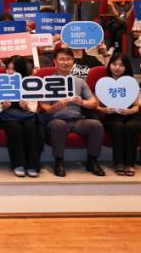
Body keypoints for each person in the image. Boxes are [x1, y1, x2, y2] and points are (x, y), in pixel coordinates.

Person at [39, 47, 104, 177]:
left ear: (73, 61)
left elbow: (93, 103)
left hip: (77, 119)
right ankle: (59, 161)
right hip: (55, 120)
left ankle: (92, 161)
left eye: (68, 59)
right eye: (62, 59)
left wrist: (82, 102)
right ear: (55, 61)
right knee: (59, 125)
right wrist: (56, 106)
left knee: (96, 125)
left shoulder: (79, 81)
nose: (65, 62)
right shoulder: (47, 81)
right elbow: (43, 108)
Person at [0, 56, 42, 178]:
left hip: (26, 117)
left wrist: (26, 106)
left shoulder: (29, 83)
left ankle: (32, 165)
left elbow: (34, 108)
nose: (10, 72)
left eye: (14, 69)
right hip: (5, 118)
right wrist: (3, 106)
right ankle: (18, 164)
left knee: (30, 127)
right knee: (14, 127)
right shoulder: (0, 83)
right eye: (8, 69)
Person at [97, 53, 141, 176]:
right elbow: (95, 106)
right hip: (111, 118)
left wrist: (130, 111)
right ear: (110, 65)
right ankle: (119, 163)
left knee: (131, 126)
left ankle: (130, 164)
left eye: (121, 65)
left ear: (126, 67)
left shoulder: (131, 83)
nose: (117, 67)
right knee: (118, 126)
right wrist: (104, 110)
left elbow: (136, 106)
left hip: (130, 117)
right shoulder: (103, 83)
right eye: (114, 64)